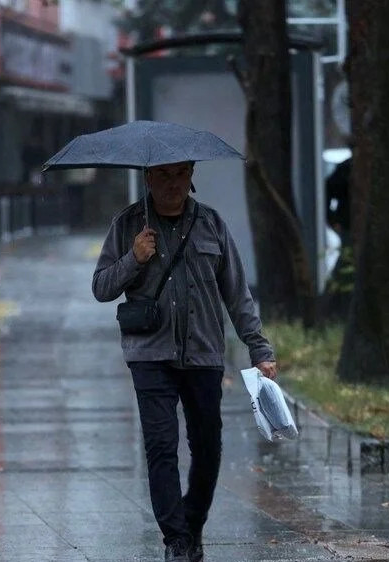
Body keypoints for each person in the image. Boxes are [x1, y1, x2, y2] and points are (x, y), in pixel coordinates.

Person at [92, 161, 278, 562]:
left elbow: (237, 294)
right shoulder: (127, 225)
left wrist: (259, 348)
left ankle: (191, 525)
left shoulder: (211, 224)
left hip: (203, 353)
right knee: (161, 447)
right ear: (148, 178)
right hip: (149, 355)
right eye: (162, 175)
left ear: (191, 174)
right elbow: (101, 287)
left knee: (208, 447)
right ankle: (176, 541)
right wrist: (134, 259)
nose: (172, 184)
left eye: (179, 174)